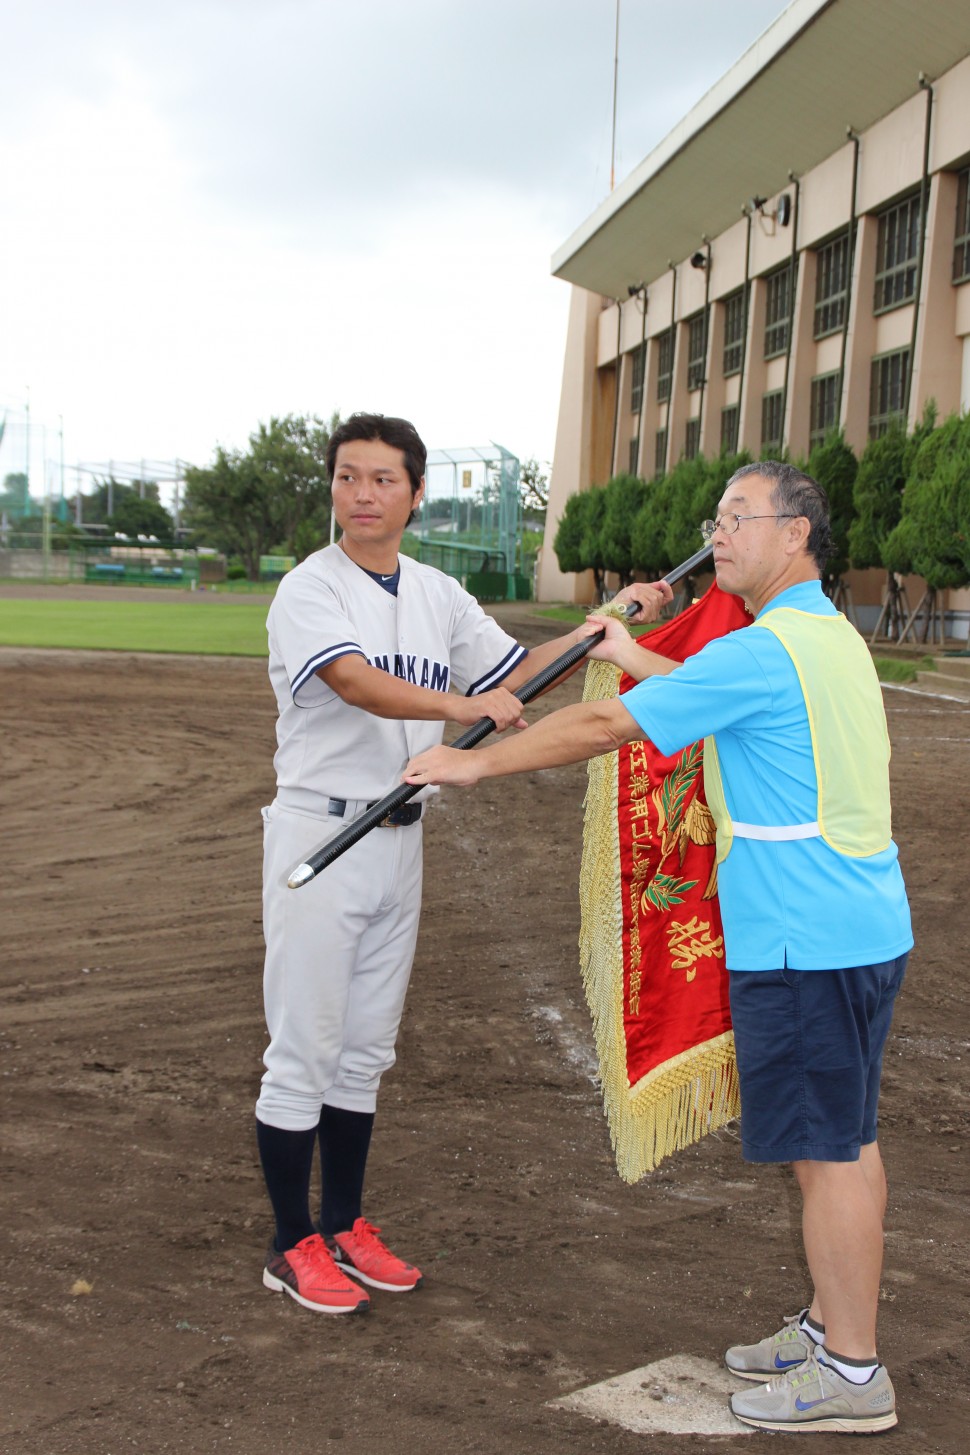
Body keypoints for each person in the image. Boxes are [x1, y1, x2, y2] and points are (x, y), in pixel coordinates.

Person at [405, 461, 912, 1434]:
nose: (716, 534)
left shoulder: (767, 650)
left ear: (795, 535)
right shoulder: (816, 636)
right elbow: (697, 690)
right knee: (841, 1141)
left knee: (828, 1151)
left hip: (806, 939)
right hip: (856, 926)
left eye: (737, 518)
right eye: (714, 518)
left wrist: (474, 761)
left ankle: (850, 1372)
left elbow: (602, 725)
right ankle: (826, 1324)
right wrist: (626, 647)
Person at [256, 411, 668, 1317]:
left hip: (400, 837)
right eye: (347, 476)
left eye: (381, 479)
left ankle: (347, 1225)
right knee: (304, 1054)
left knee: (363, 1052)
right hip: (322, 838)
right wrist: (459, 699)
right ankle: (291, 1243)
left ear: (414, 493)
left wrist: (605, 625)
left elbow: (521, 674)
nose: (361, 494)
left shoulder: (436, 591)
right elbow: (355, 680)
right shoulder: (309, 588)